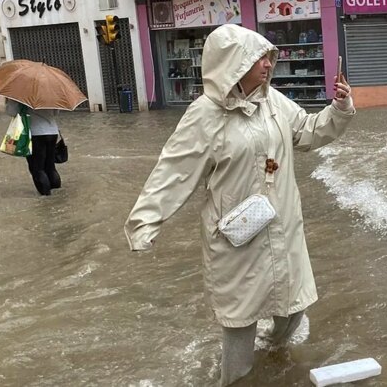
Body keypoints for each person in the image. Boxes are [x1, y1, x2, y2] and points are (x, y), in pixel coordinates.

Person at [123, 24, 355, 386]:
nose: (267, 64)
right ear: (234, 64)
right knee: (239, 324)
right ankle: (234, 380)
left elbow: (307, 131)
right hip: (238, 238)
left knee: (293, 307)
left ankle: (272, 355)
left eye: (267, 57)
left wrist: (339, 109)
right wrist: (145, 222)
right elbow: (173, 171)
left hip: (282, 226)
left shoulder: (273, 102)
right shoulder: (204, 115)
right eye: (258, 58)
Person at [6, 99, 60, 195]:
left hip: (35, 133)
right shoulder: (50, 93)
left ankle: (46, 198)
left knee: (37, 168)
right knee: (50, 166)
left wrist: (11, 101)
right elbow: (56, 112)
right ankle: (57, 195)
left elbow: (12, 112)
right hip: (52, 132)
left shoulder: (21, 95)